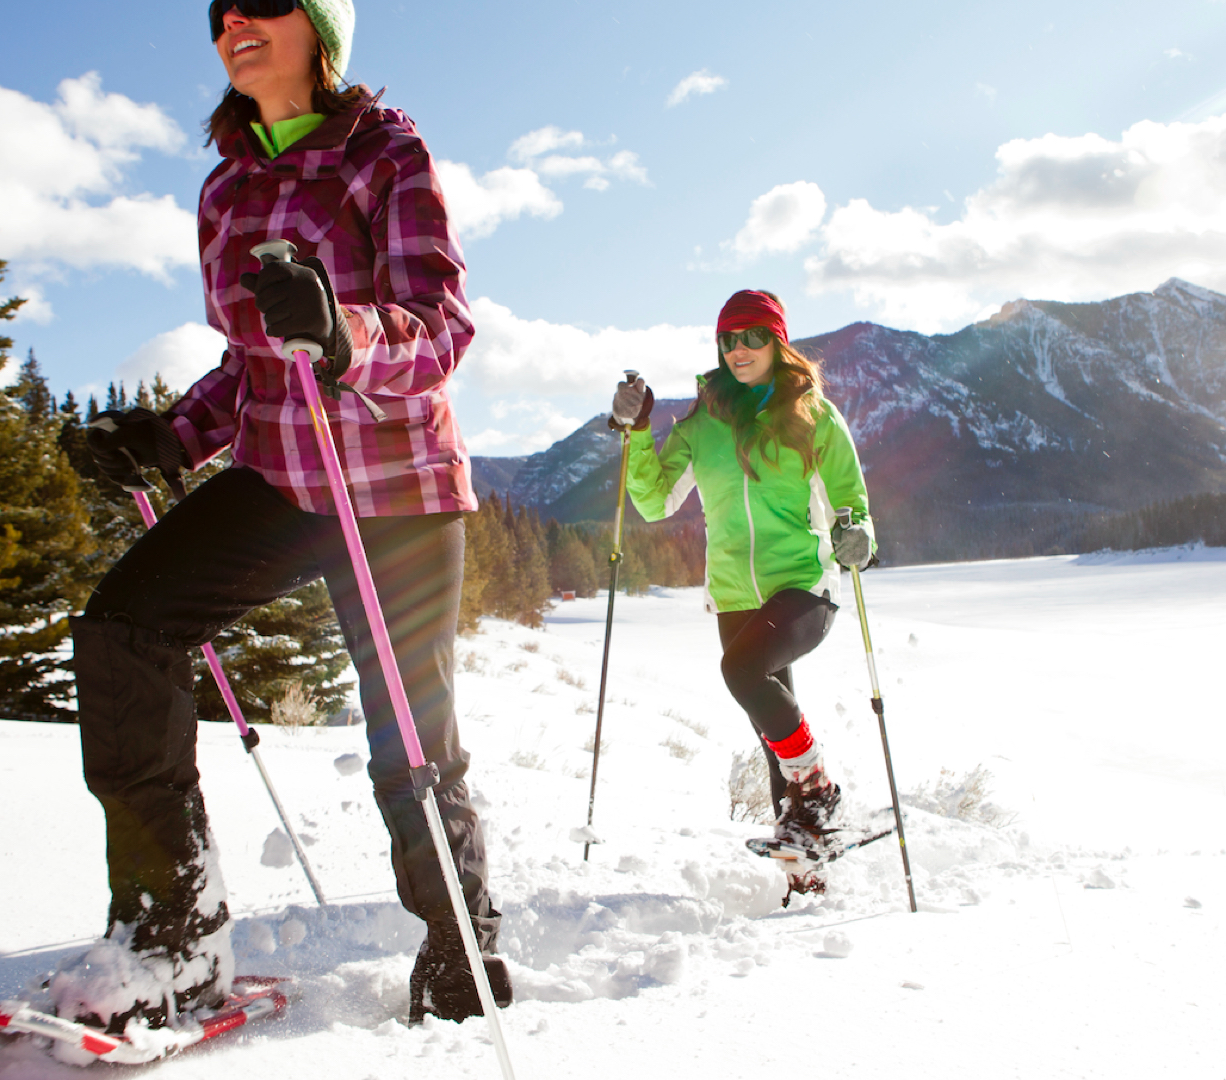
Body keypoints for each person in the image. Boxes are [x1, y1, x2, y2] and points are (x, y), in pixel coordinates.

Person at [61, 0, 506, 1031]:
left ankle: (460, 946)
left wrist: (346, 335)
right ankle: (170, 933)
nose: (234, 21)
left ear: (321, 29)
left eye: (266, 2)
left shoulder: (383, 152)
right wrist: (171, 437)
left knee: (409, 731)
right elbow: (249, 364)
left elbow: (440, 329)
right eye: (220, 9)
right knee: (122, 627)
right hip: (283, 473)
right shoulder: (225, 183)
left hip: (395, 481)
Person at [612, 290, 877, 896]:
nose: (738, 350)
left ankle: (818, 789)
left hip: (804, 586)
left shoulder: (813, 414)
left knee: (743, 670)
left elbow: (849, 499)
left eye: (752, 336)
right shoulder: (704, 424)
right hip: (734, 594)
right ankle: (804, 873)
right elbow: (654, 502)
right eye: (727, 340)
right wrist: (636, 430)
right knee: (770, 730)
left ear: (777, 341)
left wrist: (857, 530)